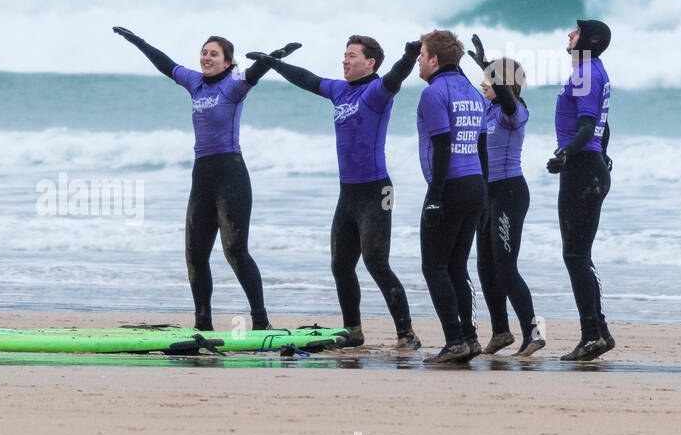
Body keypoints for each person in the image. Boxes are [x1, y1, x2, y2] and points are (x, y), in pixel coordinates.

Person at [112, 27, 298, 331]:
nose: (206, 57)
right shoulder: (194, 82)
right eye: (204, 52)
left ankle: (262, 323)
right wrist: (137, 41)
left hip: (231, 174)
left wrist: (273, 58)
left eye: (214, 54)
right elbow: (164, 63)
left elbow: (254, 74)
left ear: (227, 63)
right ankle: (203, 324)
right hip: (202, 177)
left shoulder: (233, 85)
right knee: (195, 254)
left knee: (235, 251)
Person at [246, 36, 422, 351]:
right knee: (341, 265)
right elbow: (307, 79)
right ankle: (353, 330)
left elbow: (397, 76)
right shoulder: (338, 90)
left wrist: (409, 56)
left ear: (369, 63)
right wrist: (273, 63)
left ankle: (407, 333)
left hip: (377, 189)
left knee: (376, 262)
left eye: (351, 56)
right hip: (348, 193)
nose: (344, 60)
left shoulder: (377, 92)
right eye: (344, 55)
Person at [464, 36, 544, 356]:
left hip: (510, 193)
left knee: (506, 267)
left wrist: (488, 68)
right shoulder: (487, 108)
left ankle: (533, 333)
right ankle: (500, 333)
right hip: (486, 195)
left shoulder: (516, 112)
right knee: (485, 266)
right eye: (484, 78)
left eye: (489, 79)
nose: (483, 83)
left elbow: (508, 102)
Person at [414, 30, 487, 363]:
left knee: (435, 266)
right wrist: (484, 190)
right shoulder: (472, 91)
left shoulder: (434, 93)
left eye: (422, 54)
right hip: (475, 185)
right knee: (457, 265)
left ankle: (455, 340)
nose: (418, 60)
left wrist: (434, 196)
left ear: (434, 60)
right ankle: (469, 339)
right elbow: (481, 147)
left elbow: (443, 146)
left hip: (450, 186)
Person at [547, 19, 614, 361]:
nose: (568, 35)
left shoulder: (586, 71)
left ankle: (593, 335)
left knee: (575, 255)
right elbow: (604, 122)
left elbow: (589, 125)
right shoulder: (595, 69)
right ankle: (598, 332)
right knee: (579, 255)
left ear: (588, 40)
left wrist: (566, 153)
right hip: (592, 168)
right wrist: (601, 156)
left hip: (582, 171)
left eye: (574, 32)